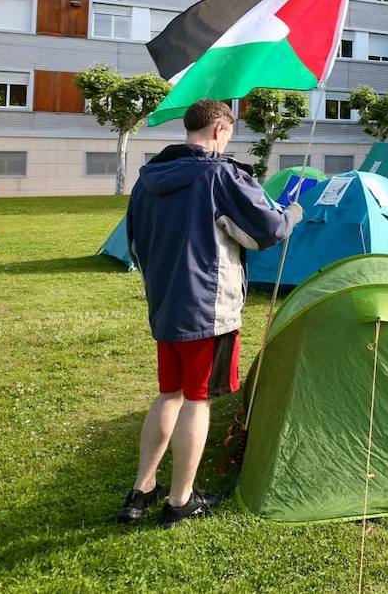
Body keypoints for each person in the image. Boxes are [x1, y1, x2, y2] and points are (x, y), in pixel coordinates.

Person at [121, 99, 302, 528]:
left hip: (165, 307)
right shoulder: (220, 175)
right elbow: (268, 231)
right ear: (221, 129)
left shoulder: (147, 180)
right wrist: (293, 211)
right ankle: (180, 500)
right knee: (197, 401)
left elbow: (132, 245)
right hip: (208, 310)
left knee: (170, 393)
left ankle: (141, 489)